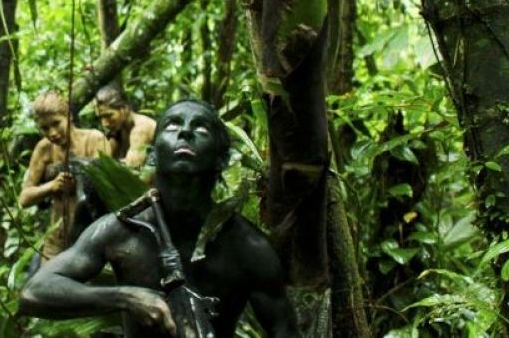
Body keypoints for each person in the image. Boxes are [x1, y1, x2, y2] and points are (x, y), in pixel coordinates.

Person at [20, 99, 299, 337]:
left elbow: (285, 331)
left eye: (200, 128)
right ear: (153, 156)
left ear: (221, 160)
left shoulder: (247, 246)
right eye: (173, 126)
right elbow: (34, 292)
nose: (186, 132)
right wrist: (127, 297)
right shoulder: (121, 231)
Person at [18, 90, 110, 261]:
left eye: (56, 123)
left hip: (93, 237)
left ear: (69, 117)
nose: (52, 133)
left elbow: (109, 189)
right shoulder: (44, 148)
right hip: (57, 240)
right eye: (44, 128)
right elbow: (24, 198)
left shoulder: (94, 139)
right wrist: (52, 186)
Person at [95, 85, 156, 168]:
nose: (104, 123)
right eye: (101, 117)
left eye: (109, 115)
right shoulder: (120, 129)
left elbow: (133, 168)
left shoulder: (141, 128)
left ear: (125, 109)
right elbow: (103, 160)